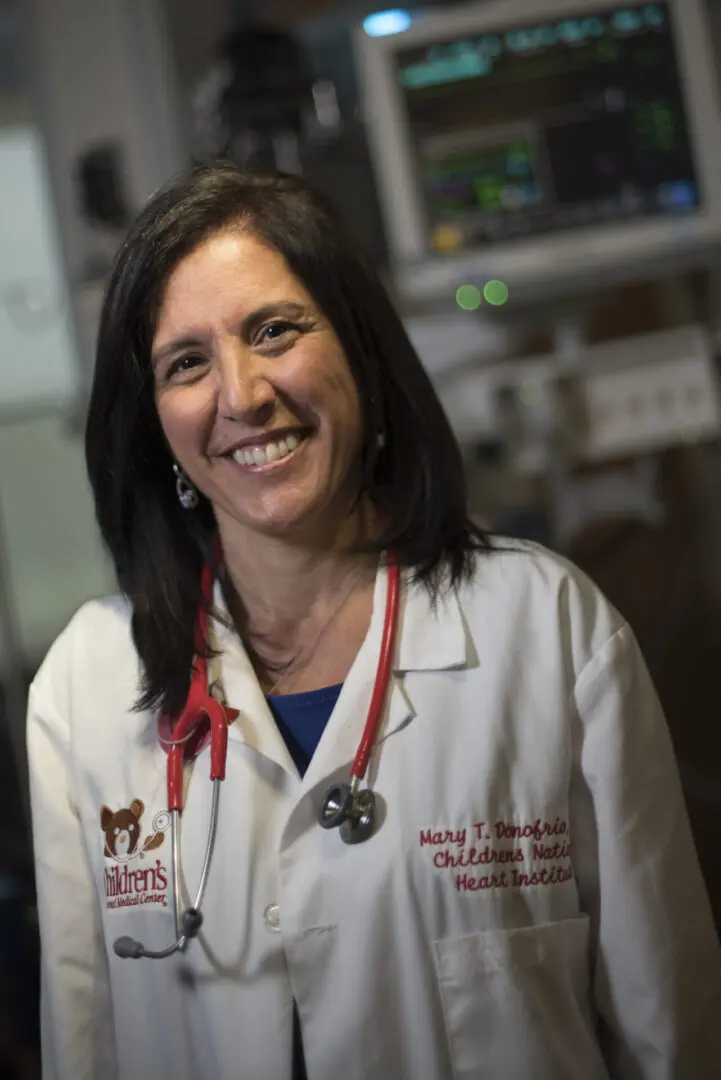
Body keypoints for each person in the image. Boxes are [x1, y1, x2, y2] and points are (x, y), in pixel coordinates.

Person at [27, 163, 720, 1080]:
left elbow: (668, 1032)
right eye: (185, 362)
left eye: (274, 331)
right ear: (154, 422)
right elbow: (84, 1047)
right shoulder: (87, 685)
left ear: (360, 352)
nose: (240, 395)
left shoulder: (546, 629)